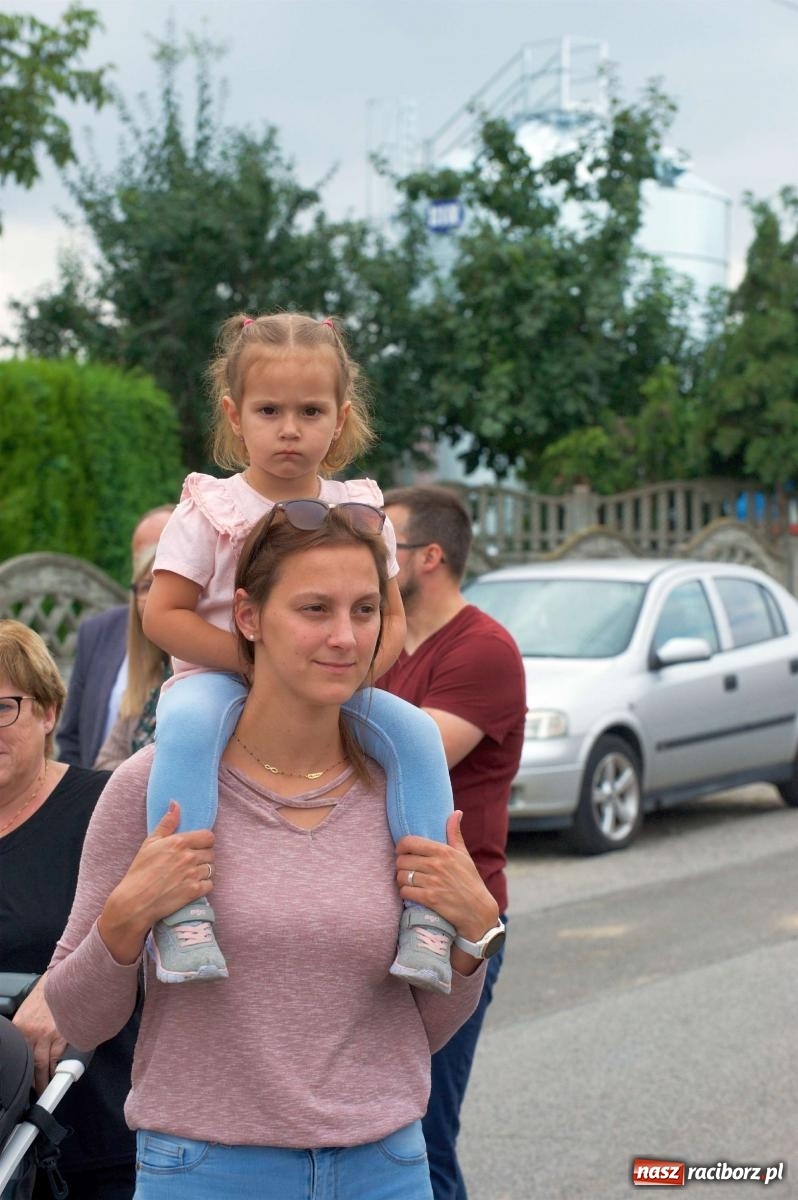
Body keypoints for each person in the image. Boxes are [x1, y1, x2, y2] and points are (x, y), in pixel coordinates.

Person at [44, 505, 502, 1200]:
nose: (346, 637)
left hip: (387, 1169)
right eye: (315, 608)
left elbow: (420, 1031)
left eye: (366, 609)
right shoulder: (153, 789)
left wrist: (473, 939)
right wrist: (123, 923)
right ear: (249, 616)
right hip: (206, 1173)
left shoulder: (405, 793)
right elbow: (77, 1020)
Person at [140, 312, 456, 991]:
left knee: (416, 734)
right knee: (186, 726)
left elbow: (392, 613)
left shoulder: (360, 508)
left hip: (330, 679)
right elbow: (162, 615)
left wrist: (356, 671)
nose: (290, 428)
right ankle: (180, 910)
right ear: (235, 414)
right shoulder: (212, 507)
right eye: (270, 410)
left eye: (310, 410)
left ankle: (429, 914)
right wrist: (254, 664)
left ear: (339, 418)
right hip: (223, 677)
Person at [378, 485, 526, 1200]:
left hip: (453, 923)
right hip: (379, 917)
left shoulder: (484, 649)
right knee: (373, 1137)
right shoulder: (387, 642)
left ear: (428, 558)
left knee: (422, 1142)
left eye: (387, 547)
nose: (376, 561)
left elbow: (415, 753)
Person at [0, 619, 138, 1199]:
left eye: (4, 707)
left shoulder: (109, 808)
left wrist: (67, 987)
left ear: (49, 712)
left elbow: (160, 940)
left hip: (90, 1136)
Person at [58, 506, 174, 768]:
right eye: (145, 581)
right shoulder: (98, 632)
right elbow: (71, 740)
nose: (156, 566)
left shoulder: (196, 663)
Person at [94, 549, 171, 771]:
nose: (153, 596)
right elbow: (102, 765)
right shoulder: (149, 680)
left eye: (162, 584)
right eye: (146, 586)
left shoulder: (209, 676)